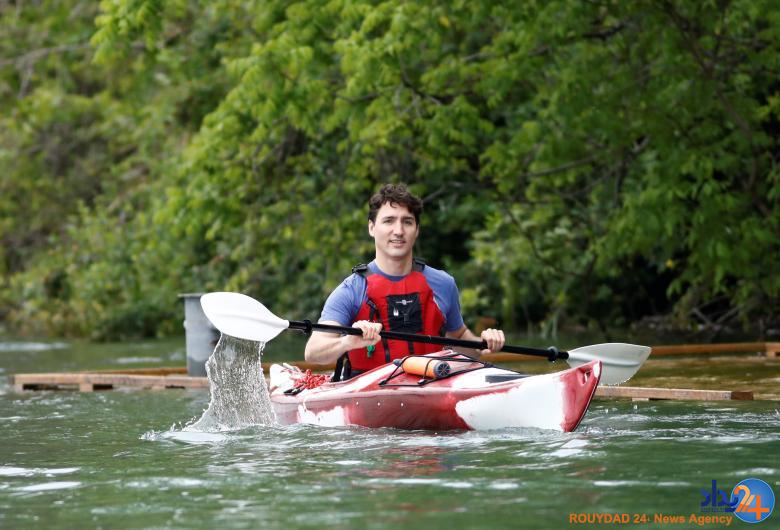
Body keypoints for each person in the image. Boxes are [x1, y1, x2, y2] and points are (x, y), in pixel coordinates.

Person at [304, 183, 505, 379]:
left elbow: (460, 340)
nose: (398, 231)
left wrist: (484, 343)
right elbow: (313, 352)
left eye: (407, 222)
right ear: (372, 228)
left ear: (416, 230)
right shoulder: (351, 290)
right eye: (389, 221)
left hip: (430, 387)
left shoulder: (443, 284)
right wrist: (347, 342)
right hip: (371, 399)